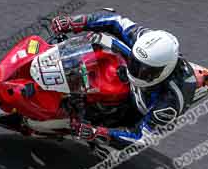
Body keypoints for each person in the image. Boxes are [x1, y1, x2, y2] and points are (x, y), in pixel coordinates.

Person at [50, 9, 197, 148]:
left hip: (144, 102)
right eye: (136, 64)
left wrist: (99, 134)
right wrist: (75, 22)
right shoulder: (144, 40)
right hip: (130, 65)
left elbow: (143, 138)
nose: (137, 71)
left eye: (145, 71)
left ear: (165, 70)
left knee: (109, 149)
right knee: (101, 43)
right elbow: (115, 21)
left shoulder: (172, 98)